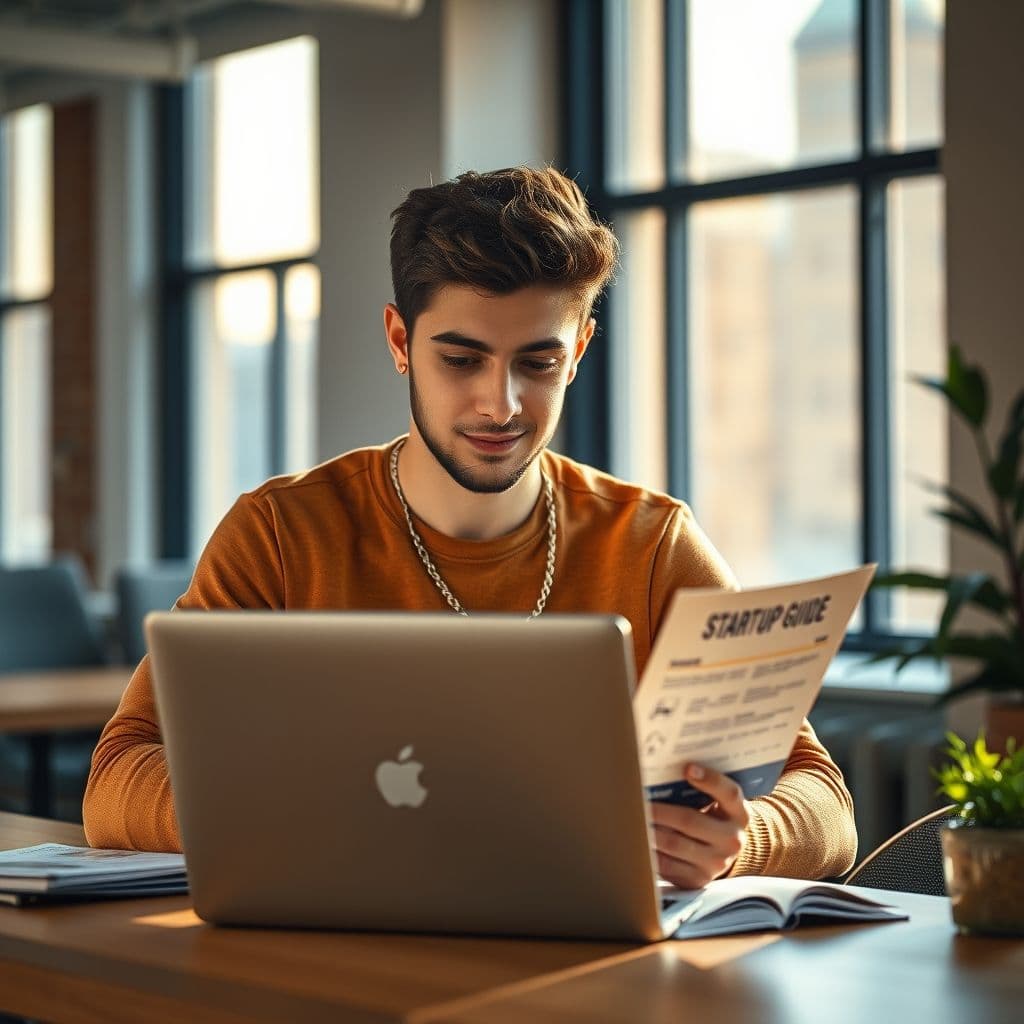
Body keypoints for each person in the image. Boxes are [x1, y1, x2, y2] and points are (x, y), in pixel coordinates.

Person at [83, 166, 857, 886]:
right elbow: (117, 780)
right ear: (399, 341)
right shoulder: (282, 535)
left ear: (579, 351)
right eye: (461, 360)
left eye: (537, 363)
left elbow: (821, 797)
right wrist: (298, 816)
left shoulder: (652, 545)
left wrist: (739, 840)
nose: (502, 404)